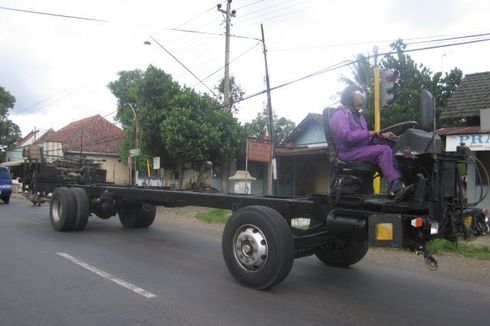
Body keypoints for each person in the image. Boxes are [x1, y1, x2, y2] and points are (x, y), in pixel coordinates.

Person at [329, 85, 405, 196]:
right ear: (350, 97)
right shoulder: (340, 114)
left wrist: (381, 136)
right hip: (347, 152)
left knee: (390, 147)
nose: (362, 98)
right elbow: (346, 136)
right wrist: (369, 133)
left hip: (359, 150)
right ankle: (397, 188)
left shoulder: (359, 117)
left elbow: (365, 138)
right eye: (359, 95)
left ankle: (397, 185)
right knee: (383, 150)